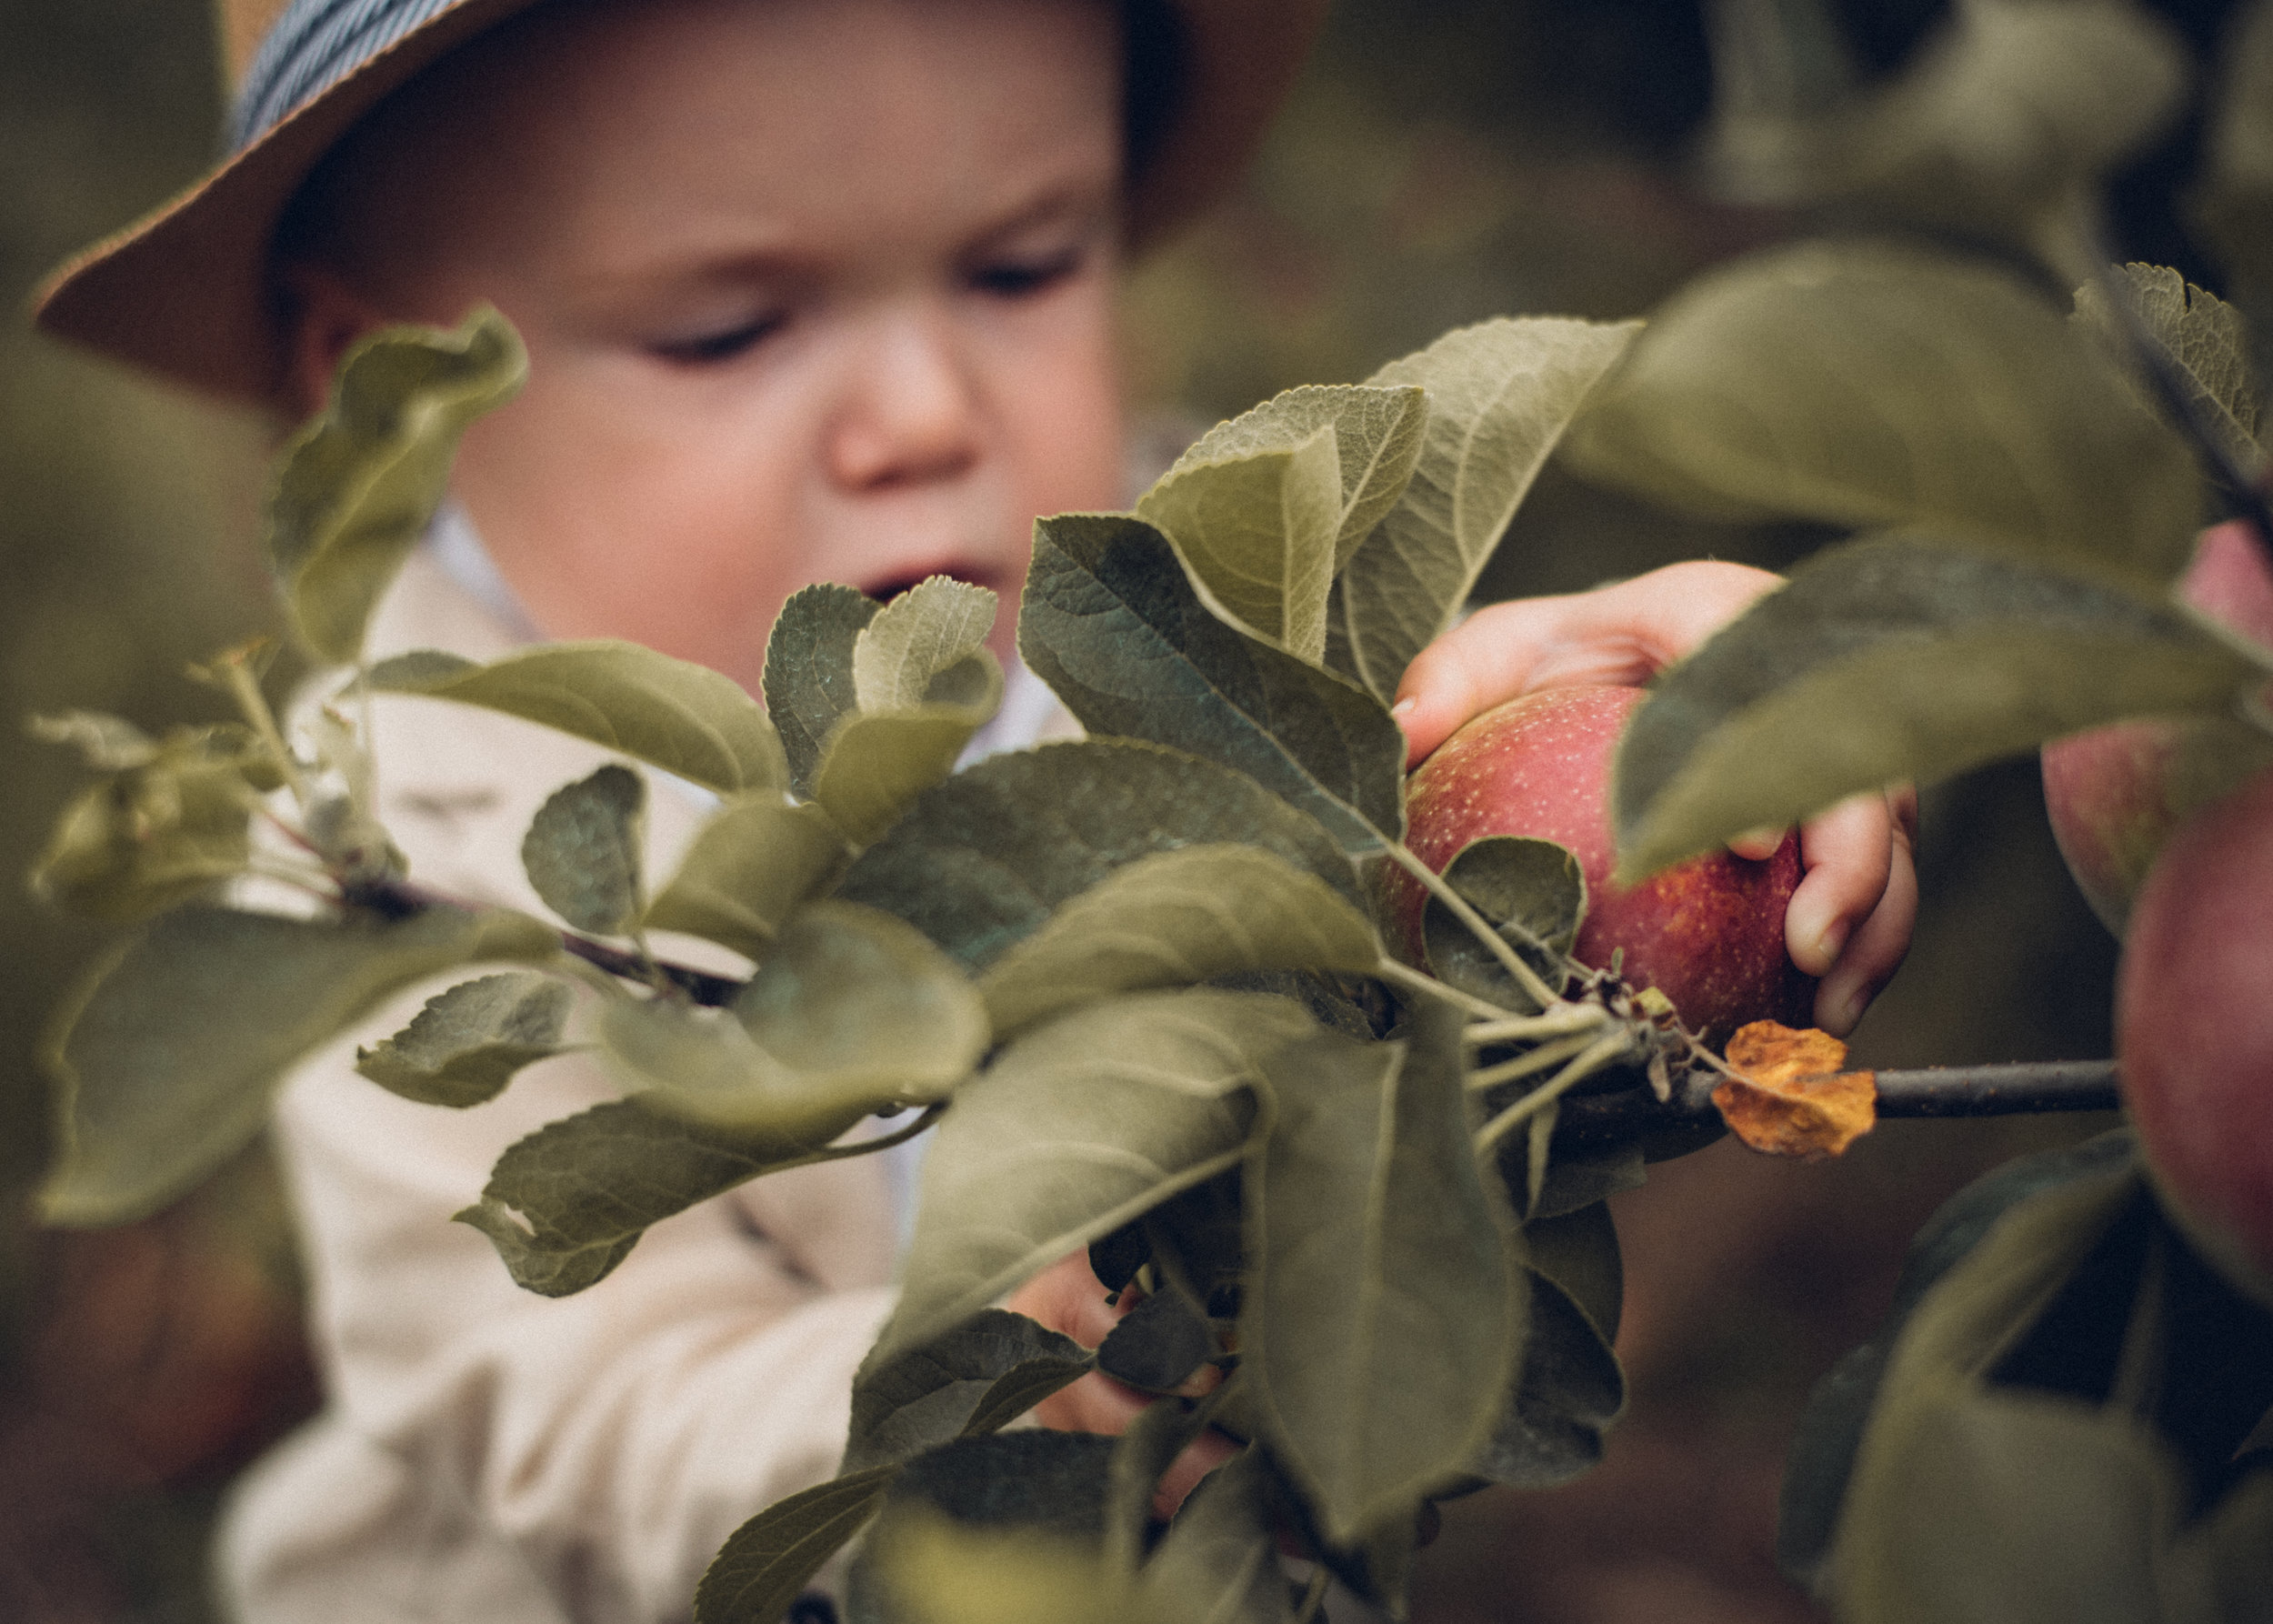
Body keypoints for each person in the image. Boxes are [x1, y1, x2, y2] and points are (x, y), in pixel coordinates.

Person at [31, 1, 1916, 1618]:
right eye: (722, 329)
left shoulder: (1157, 604)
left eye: (1018, 267)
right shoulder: (413, 860)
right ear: (379, 396)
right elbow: (573, 1400)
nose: (926, 411)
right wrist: (979, 1402)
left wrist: (1656, 733)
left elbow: (1411, 796)